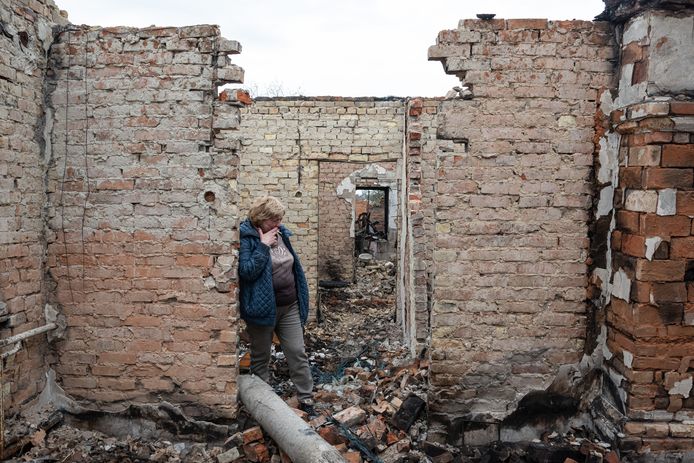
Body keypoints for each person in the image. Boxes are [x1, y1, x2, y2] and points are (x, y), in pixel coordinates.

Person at [238, 196, 315, 414]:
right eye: (274, 219)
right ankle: (265, 407)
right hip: (263, 309)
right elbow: (247, 271)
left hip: (289, 306)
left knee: (297, 352)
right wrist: (263, 246)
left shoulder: (282, 234)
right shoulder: (247, 238)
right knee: (261, 358)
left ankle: (307, 400)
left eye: (280, 218)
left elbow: (292, 266)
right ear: (261, 219)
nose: (278, 223)